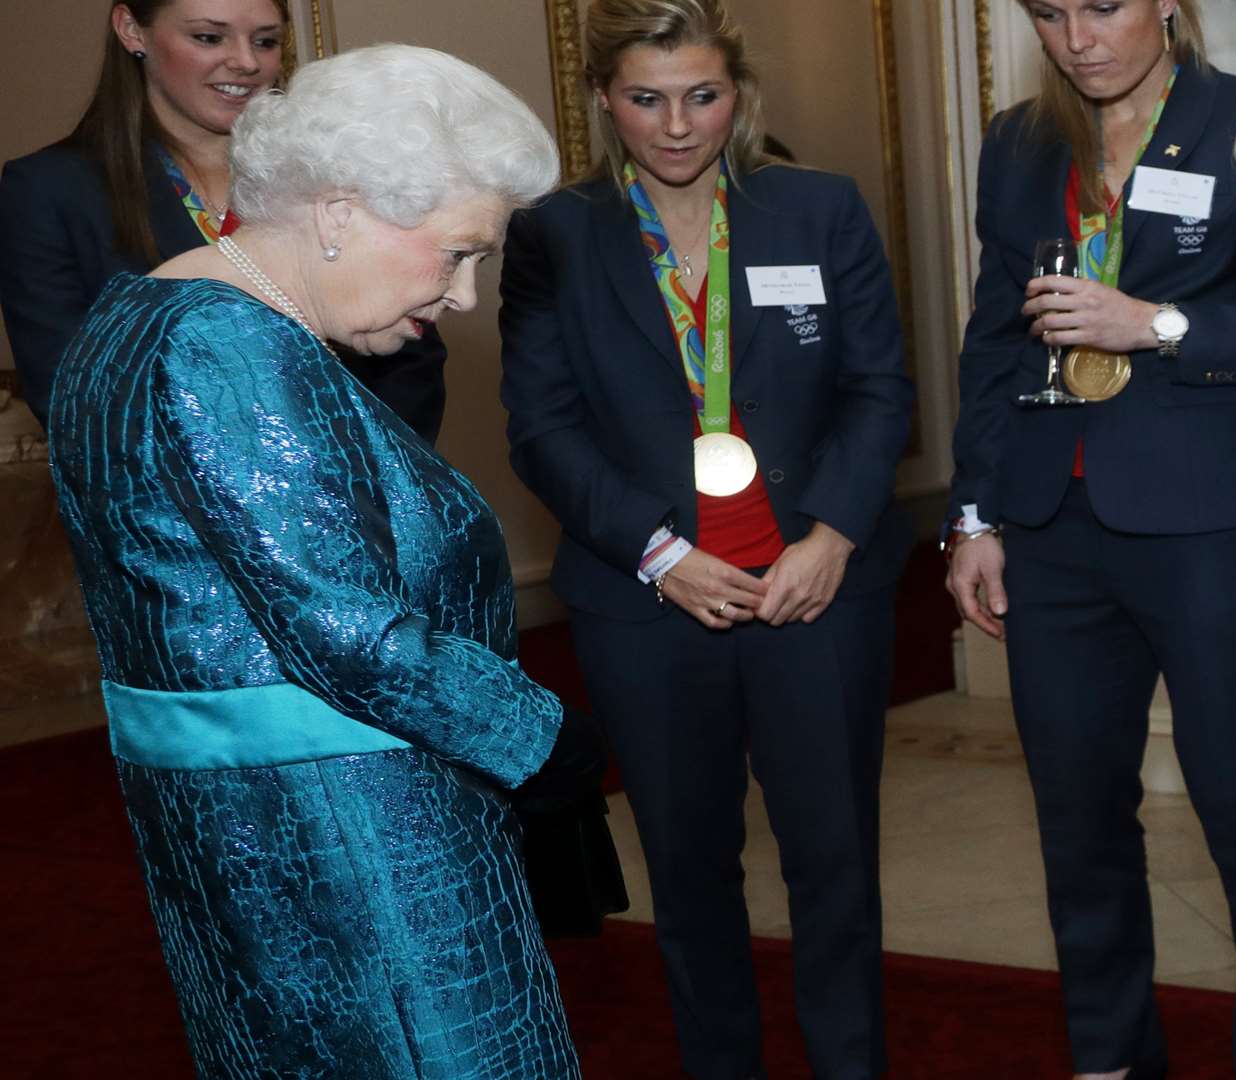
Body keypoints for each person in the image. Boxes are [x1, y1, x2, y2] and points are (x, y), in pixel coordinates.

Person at [44, 44, 580, 1077]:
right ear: (340, 212)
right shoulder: (227, 346)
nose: (466, 294)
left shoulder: (128, 320)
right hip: (361, 858)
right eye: (460, 251)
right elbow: (348, 629)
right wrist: (541, 738)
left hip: (248, 842)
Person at [498, 1, 914, 1076]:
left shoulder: (817, 209)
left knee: (835, 865)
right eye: (646, 98)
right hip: (649, 603)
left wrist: (833, 536)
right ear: (604, 100)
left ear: (739, 95)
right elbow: (542, 427)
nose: (677, 125)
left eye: (702, 95)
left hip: (814, 591)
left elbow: (880, 387)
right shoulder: (557, 233)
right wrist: (662, 555)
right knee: (688, 869)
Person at [945, 2, 1236, 1075]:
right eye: (1050, 13)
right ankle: (1110, 1057)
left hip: (1211, 525)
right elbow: (991, 334)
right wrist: (975, 509)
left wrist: (1153, 324)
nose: (1079, 36)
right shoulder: (1019, 141)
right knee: (1076, 815)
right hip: (1049, 526)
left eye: (1103, 5)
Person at [0, 0, 449, 441]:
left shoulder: (337, 172)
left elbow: (411, 360)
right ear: (132, 30)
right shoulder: (48, 189)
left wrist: (360, 483)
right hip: (171, 504)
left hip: (366, 486)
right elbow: (69, 398)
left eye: (266, 41)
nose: (246, 62)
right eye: (209, 37)